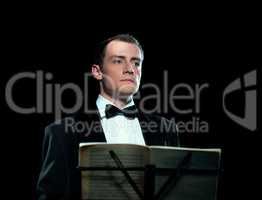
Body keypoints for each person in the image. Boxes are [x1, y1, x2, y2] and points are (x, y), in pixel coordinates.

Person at [36, 34, 180, 200]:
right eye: (118, 61)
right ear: (97, 72)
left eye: (136, 62)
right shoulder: (61, 132)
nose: (130, 69)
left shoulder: (166, 128)